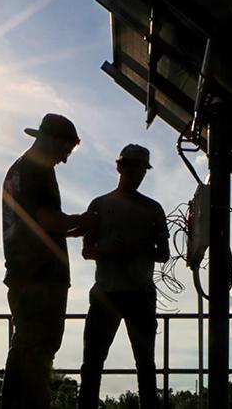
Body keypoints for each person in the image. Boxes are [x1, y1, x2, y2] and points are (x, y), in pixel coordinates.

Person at [1, 113, 96, 409]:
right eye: (65, 150)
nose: (65, 159)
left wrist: (72, 227)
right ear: (52, 140)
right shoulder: (36, 171)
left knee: (25, 349)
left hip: (25, 274)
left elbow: (40, 225)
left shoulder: (21, 169)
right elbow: (49, 220)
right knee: (39, 351)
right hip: (40, 278)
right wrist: (84, 220)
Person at [78, 144, 169, 409]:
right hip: (108, 293)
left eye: (142, 170)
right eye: (133, 168)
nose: (138, 174)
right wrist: (108, 250)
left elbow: (163, 254)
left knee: (145, 366)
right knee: (93, 364)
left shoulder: (153, 209)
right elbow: (87, 251)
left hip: (138, 294)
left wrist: (135, 248)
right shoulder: (100, 205)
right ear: (120, 167)